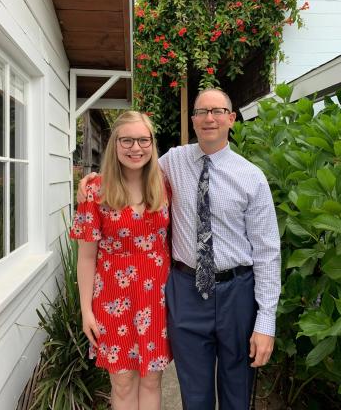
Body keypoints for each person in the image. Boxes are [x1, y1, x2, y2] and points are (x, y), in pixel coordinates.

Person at [78, 89, 281, 410]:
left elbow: (268, 252)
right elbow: (132, 168)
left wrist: (266, 320)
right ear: (193, 120)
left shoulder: (251, 178)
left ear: (231, 118)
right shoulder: (172, 162)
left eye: (218, 111)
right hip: (185, 291)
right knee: (193, 389)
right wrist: (93, 179)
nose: (209, 118)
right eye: (201, 112)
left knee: (237, 387)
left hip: (236, 292)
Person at [70, 111, 172, 410]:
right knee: (123, 381)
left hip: (158, 298)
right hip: (112, 298)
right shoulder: (94, 190)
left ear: (152, 144)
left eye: (143, 140)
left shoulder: (164, 184)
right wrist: (86, 310)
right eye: (127, 140)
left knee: (153, 380)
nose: (135, 148)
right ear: (115, 144)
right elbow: (87, 258)